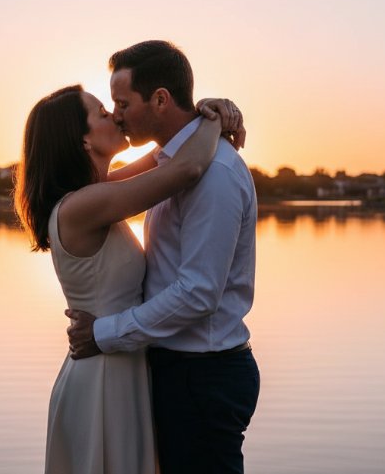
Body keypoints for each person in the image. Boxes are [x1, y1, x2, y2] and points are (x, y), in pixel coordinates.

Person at [15, 82, 243, 474]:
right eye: (102, 113)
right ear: (83, 140)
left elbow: (165, 156)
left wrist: (206, 113)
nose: (115, 115)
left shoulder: (98, 192)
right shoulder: (83, 205)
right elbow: (186, 168)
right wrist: (213, 120)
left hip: (120, 360)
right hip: (103, 374)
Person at [66, 40, 260, 474]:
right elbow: (164, 168)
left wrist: (104, 333)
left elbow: (198, 294)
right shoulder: (169, 166)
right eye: (108, 107)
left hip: (203, 375)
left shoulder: (217, 175)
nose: (116, 114)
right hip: (175, 369)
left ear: (159, 99)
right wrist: (209, 118)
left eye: (121, 102)